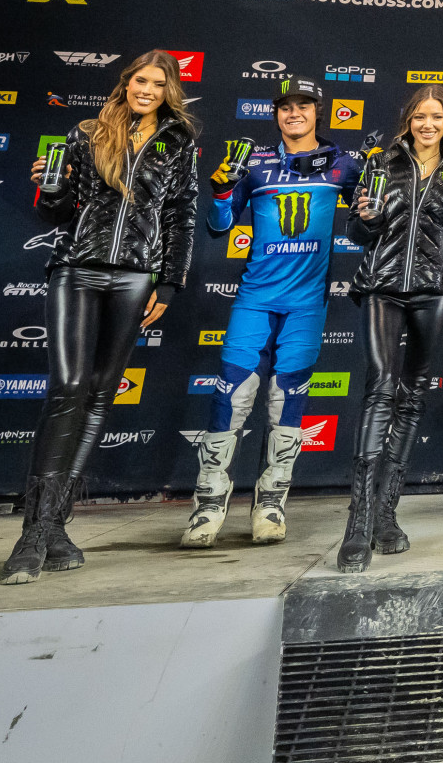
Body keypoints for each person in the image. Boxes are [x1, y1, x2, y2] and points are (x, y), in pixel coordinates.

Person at [7, 51, 198, 584]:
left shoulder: (178, 142)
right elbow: (55, 211)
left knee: (99, 393)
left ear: (168, 91)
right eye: (141, 80)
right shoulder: (88, 130)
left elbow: (182, 214)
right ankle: (32, 534)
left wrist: (171, 280)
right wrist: (50, 187)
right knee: (68, 386)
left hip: (136, 276)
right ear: (127, 82)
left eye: (158, 84)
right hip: (77, 267)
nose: (147, 89)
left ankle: (53, 525)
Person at [185, 77, 364, 550]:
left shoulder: (344, 163)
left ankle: (270, 503)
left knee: (288, 401)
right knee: (234, 395)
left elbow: (368, 225)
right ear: (275, 114)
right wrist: (222, 191)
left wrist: (370, 210)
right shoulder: (253, 162)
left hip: (307, 303)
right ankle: (208, 503)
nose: (294, 114)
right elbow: (218, 227)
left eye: (304, 106)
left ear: (318, 112)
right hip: (254, 299)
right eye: (285, 107)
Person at [341, 84, 443, 570]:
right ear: (408, 120)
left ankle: (385, 515)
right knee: (379, 389)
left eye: (436, 117)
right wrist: (365, 218)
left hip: (433, 292)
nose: (427, 124)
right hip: (380, 285)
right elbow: (356, 233)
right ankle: (356, 524)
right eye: (420, 116)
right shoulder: (381, 164)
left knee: (413, 395)